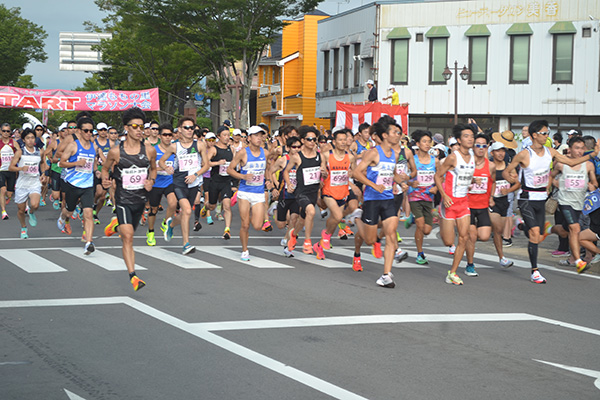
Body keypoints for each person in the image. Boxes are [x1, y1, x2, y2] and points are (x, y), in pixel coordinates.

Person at [503, 120, 599, 284]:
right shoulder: (524, 154)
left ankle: (520, 225)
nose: (547, 136)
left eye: (548, 133)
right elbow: (507, 171)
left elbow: (571, 162)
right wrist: (511, 180)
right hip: (527, 198)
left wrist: (592, 154)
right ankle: (535, 271)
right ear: (535, 135)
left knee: (538, 234)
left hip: (541, 199)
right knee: (534, 234)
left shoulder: (550, 151)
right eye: (544, 133)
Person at [348, 119, 408, 288]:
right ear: (385, 135)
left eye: (398, 132)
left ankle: (386, 275)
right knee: (370, 239)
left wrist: (400, 182)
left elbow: (392, 173)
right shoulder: (373, 153)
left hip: (388, 199)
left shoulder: (395, 155)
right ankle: (358, 217)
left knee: (390, 234)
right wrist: (374, 185)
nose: (398, 135)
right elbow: (357, 173)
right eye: (395, 132)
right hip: (372, 199)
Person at [103, 107, 157, 291]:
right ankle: (133, 276)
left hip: (140, 200)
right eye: (135, 126)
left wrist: (151, 180)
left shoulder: (149, 150)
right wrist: (105, 180)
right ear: (126, 128)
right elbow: (105, 169)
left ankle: (114, 225)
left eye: (142, 126)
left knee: (127, 232)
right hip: (123, 200)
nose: (139, 130)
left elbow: (154, 169)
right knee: (128, 237)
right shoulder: (116, 152)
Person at [435, 124, 477, 285]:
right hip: (449, 202)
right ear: (459, 140)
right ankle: (440, 216)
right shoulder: (453, 157)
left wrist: (473, 181)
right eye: (466, 136)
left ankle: (452, 272)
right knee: (448, 241)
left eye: (471, 136)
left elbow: (465, 177)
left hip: (464, 203)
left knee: (464, 237)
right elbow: (438, 177)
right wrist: (444, 195)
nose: (470, 139)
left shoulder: (473, 156)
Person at [160, 117, 209, 255]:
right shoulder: (174, 146)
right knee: (187, 210)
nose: (189, 130)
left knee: (184, 213)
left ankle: (170, 225)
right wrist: (167, 168)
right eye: (186, 127)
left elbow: (206, 165)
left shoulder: (199, 145)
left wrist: (196, 174)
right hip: (179, 183)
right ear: (180, 130)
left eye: (191, 128)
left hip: (193, 182)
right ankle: (186, 244)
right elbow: (162, 161)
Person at [549, 136, 597, 273]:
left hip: (581, 202)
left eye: (582, 148)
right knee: (575, 229)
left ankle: (549, 230)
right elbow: (551, 176)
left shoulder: (588, 165)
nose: (580, 151)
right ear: (570, 149)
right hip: (565, 202)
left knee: (566, 231)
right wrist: (554, 183)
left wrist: (592, 185)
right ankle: (578, 261)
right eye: (577, 148)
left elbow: (594, 181)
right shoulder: (561, 164)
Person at [226, 125, 269, 261]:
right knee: (245, 224)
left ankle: (254, 212)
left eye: (260, 135)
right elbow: (230, 169)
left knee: (257, 225)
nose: (259, 138)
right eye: (256, 135)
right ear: (249, 138)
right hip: (244, 192)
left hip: (258, 193)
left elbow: (267, 169)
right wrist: (243, 176)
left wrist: (269, 180)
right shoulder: (243, 153)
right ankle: (245, 250)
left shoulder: (265, 153)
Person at [313, 129, 357, 260]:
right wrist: (323, 173)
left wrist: (351, 174)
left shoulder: (350, 157)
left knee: (335, 219)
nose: (343, 142)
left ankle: (320, 245)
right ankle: (326, 236)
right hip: (328, 191)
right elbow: (320, 169)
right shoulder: (326, 155)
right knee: (337, 216)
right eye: (340, 140)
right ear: (334, 141)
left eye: (345, 139)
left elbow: (354, 172)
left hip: (342, 192)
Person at [57, 117, 97, 255]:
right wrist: (76, 163)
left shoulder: (94, 146)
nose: (88, 133)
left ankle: (89, 243)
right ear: (79, 131)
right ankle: (63, 218)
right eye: (86, 130)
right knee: (69, 211)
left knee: (88, 214)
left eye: (91, 131)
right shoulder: (73, 145)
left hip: (88, 185)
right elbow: (61, 163)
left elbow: (95, 164)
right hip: (72, 184)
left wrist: (97, 171)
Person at [283, 126, 326, 255]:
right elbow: (286, 171)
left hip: (313, 192)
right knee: (311, 212)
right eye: (309, 139)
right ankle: (307, 241)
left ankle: (293, 235)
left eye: (314, 139)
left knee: (303, 219)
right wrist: (289, 184)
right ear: (303, 140)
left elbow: (324, 173)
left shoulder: (320, 156)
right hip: (301, 192)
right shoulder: (297, 157)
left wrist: (324, 174)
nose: (312, 142)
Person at [464, 133, 496, 277]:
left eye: (484, 146)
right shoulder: (467, 164)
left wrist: (491, 197)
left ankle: (464, 238)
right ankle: (470, 264)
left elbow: (493, 182)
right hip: (468, 205)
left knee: (483, 236)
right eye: (478, 145)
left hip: (483, 205)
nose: (481, 148)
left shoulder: (491, 166)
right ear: (473, 147)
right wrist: (470, 181)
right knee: (472, 236)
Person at [407, 130, 439, 264]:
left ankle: (412, 219)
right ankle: (420, 254)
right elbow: (402, 177)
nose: (427, 144)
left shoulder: (435, 161)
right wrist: (410, 182)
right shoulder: (412, 160)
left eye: (429, 141)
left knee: (427, 230)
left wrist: (436, 187)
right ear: (418, 144)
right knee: (421, 226)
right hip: (414, 196)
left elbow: (440, 177)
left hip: (428, 197)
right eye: (424, 141)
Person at [8, 129, 47, 238]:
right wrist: (21, 168)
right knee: (20, 210)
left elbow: (43, 163)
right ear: (24, 140)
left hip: (34, 182)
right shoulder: (20, 152)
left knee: (35, 204)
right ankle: (24, 227)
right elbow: (11, 167)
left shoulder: (39, 151)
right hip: (22, 183)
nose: (30, 140)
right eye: (28, 138)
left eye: (32, 138)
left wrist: (43, 173)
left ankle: (31, 212)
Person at [269, 136, 301, 255]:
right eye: (294, 147)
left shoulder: (302, 160)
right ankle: (275, 210)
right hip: (284, 195)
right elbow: (270, 171)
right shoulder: (283, 160)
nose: (297, 149)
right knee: (281, 224)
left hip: (296, 196)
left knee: (293, 219)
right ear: (288, 148)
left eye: (299, 147)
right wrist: (273, 185)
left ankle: (288, 245)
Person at [489, 142, 519, 269]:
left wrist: (509, 190)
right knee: (496, 228)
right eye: (498, 151)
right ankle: (502, 257)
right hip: (491, 201)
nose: (501, 153)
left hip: (504, 201)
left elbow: (518, 183)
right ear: (492, 153)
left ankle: (501, 258)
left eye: (503, 151)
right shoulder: (489, 166)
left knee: (499, 230)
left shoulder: (509, 167)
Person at [146, 123, 177, 246]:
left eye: (170, 135)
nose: (168, 137)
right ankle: (151, 232)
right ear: (160, 136)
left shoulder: (174, 150)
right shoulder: (154, 150)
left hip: (169, 182)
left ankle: (165, 223)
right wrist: (161, 168)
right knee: (153, 209)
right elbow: (149, 167)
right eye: (165, 135)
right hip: (156, 183)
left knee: (173, 203)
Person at [206, 125, 235, 239]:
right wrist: (217, 163)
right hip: (215, 181)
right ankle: (206, 207)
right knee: (212, 206)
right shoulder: (214, 149)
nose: (227, 137)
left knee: (227, 206)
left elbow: (234, 164)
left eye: (228, 135)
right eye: (224, 135)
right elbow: (205, 163)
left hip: (226, 181)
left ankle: (227, 229)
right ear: (218, 136)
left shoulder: (231, 149)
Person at [0, 122, 18, 220]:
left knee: (9, 193)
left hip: (11, 170)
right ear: (0, 131)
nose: (6, 133)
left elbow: (19, 153)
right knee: (2, 190)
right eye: (4, 131)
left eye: (8, 131)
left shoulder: (14, 142)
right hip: (1, 170)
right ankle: (4, 212)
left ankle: (9, 197)